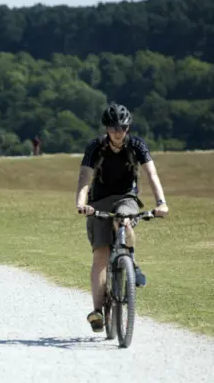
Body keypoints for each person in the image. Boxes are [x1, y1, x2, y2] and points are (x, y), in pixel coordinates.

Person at [75, 102, 169, 333]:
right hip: (98, 201)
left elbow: (151, 174)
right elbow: (84, 177)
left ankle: (131, 264)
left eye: (123, 127)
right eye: (114, 127)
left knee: (124, 219)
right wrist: (81, 202)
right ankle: (98, 311)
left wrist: (161, 203)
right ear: (107, 128)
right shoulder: (95, 147)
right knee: (100, 255)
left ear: (128, 128)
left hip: (126, 197)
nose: (119, 132)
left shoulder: (137, 145)